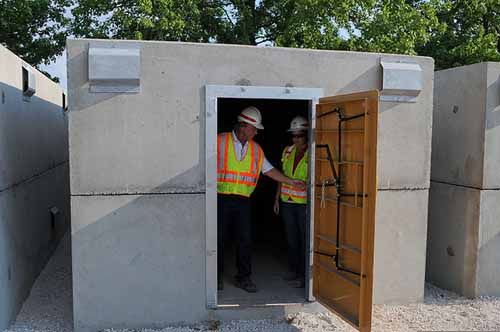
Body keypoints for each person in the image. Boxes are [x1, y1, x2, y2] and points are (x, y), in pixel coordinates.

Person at [217, 106, 306, 293]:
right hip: (219, 198)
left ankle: (244, 278)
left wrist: (291, 181)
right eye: (254, 128)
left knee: (245, 240)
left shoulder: (256, 149)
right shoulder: (219, 141)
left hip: (243, 201)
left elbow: (269, 170)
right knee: (218, 240)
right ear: (243, 126)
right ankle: (215, 277)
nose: (256, 132)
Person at [273, 116, 309, 288]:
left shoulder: (313, 152)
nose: (296, 139)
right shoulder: (287, 151)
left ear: (306, 135)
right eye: (293, 136)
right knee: (291, 239)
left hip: (304, 203)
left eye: (299, 135)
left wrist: (308, 185)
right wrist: (276, 199)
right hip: (286, 201)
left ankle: (304, 276)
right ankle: (294, 270)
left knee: (304, 239)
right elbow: (280, 175)